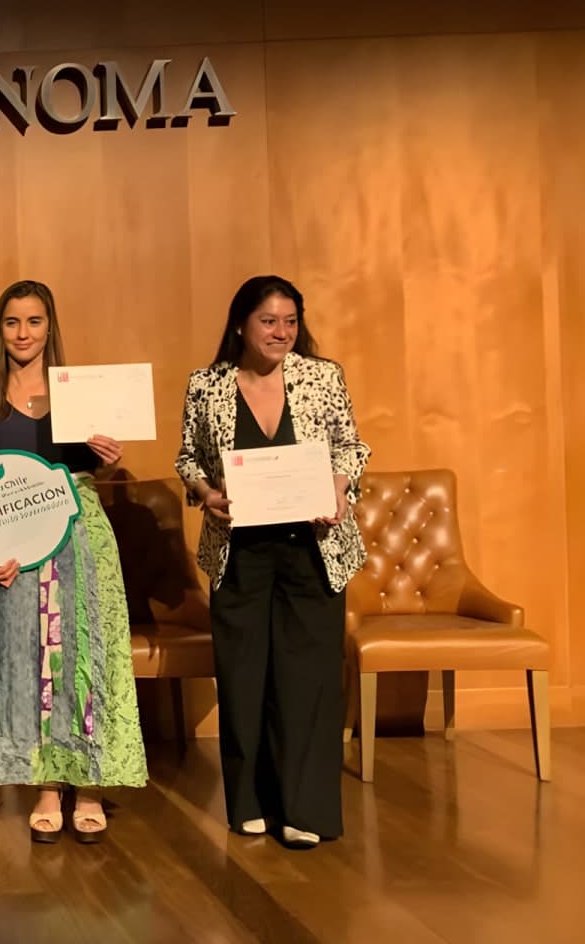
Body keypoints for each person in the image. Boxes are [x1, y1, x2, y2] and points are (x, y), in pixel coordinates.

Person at [174, 275, 371, 849]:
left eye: (289, 321)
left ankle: (305, 808)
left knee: (307, 682)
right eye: (268, 321)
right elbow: (187, 456)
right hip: (241, 553)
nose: (280, 332)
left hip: (313, 549)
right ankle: (251, 803)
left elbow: (349, 447)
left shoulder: (322, 375)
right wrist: (207, 495)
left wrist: (338, 490)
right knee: (244, 678)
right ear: (241, 324)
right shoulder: (206, 385)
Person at [0, 281, 150, 844]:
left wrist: (112, 460)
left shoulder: (78, 391)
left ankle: (89, 786)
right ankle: (45, 786)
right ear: (0, 330)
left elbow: (101, 471)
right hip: (14, 542)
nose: (23, 333)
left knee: (86, 657)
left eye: (34, 321)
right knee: (28, 661)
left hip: (81, 533)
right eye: (12, 322)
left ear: (50, 327)